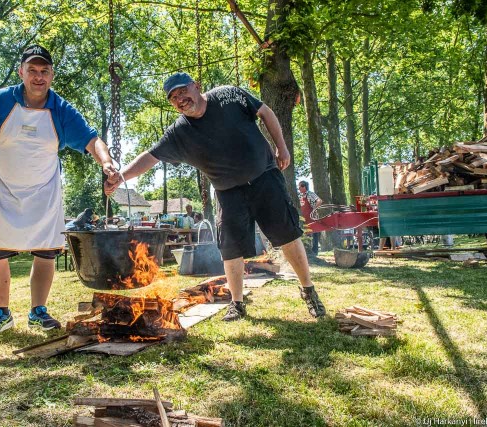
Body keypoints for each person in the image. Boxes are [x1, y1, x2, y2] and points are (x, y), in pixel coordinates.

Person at [105, 72, 326, 321]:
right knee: (229, 249)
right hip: (227, 191)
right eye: (173, 97)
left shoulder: (228, 95)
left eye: (182, 91)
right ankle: (237, 304)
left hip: (265, 176)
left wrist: (282, 147)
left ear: (196, 87)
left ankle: (309, 292)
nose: (180, 99)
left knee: (288, 235)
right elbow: (150, 157)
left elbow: (266, 112)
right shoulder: (179, 132)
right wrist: (120, 176)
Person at [0, 45, 120, 336]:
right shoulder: (0, 102)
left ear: (51, 74)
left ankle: (38, 311)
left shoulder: (61, 109)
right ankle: (0, 314)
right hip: (3, 189)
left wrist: (107, 163)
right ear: (21, 72)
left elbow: (92, 140)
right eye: (33, 70)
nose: (38, 77)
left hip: (44, 191)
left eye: (44, 71)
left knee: (46, 252)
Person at [298, 180, 322, 255]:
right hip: (304, 219)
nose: (299, 188)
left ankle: (315, 252)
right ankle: (307, 251)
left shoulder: (310, 194)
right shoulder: (301, 196)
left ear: (304, 187)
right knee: (306, 234)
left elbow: (319, 201)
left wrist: (314, 210)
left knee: (314, 234)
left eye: (300, 187)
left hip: (312, 217)